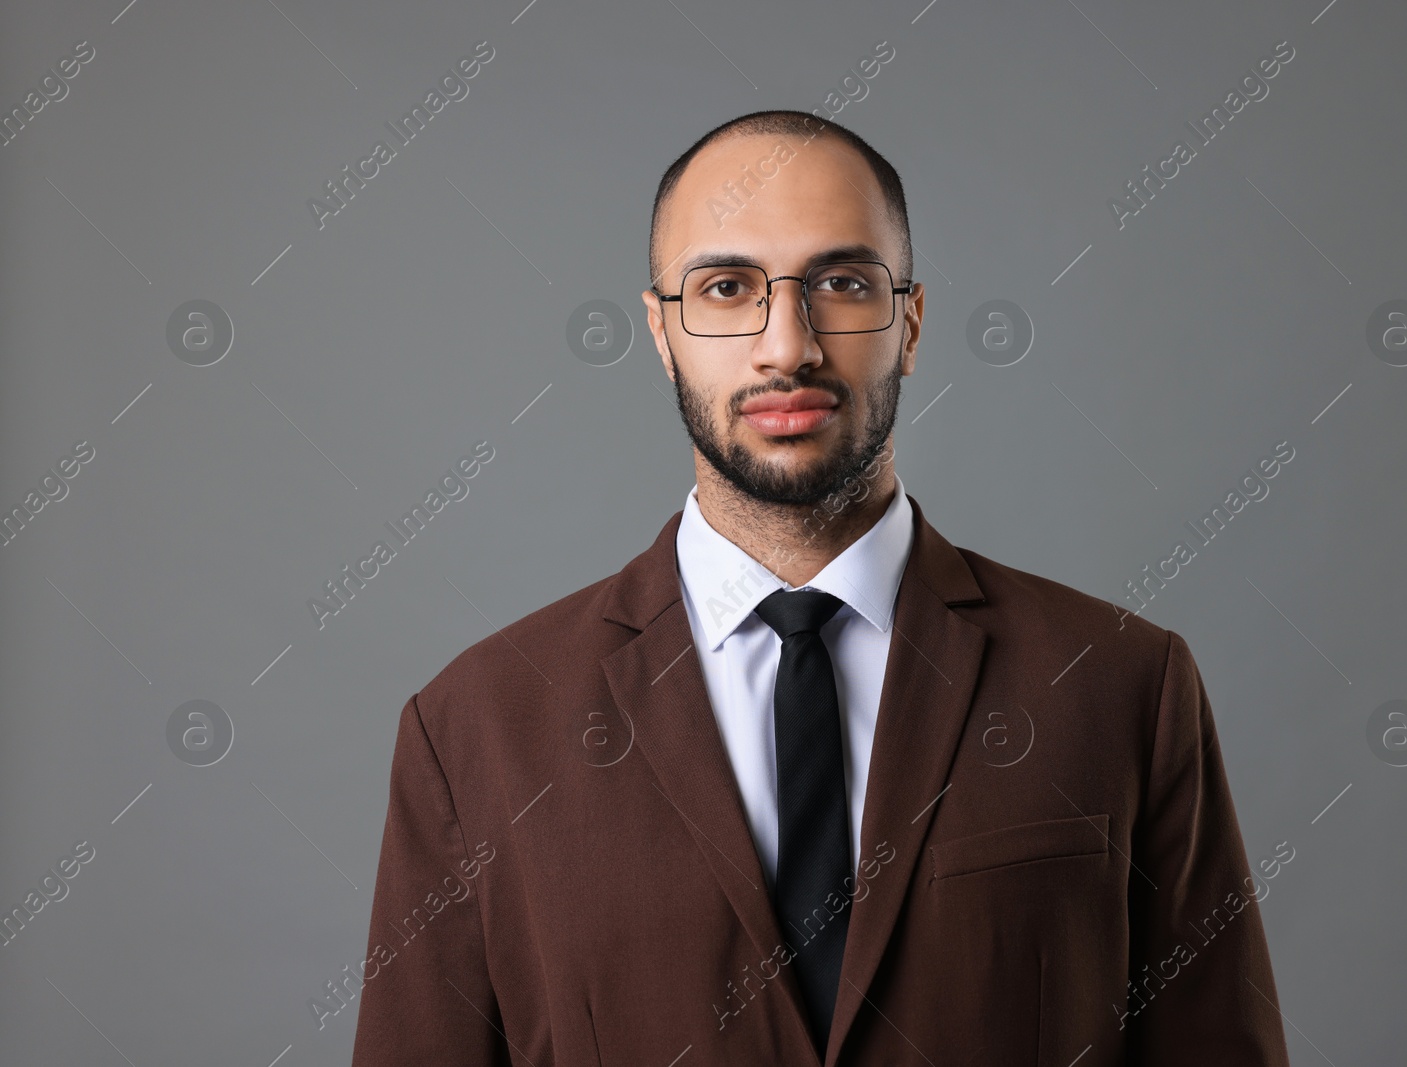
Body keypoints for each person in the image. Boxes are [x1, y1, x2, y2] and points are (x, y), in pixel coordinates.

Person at [351, 109, 1292, 1065]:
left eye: (842, 284)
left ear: (911, 323)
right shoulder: (475, 728)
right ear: (664, 332)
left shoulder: (1121, 682)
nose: (787, 346)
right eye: (726, 288)